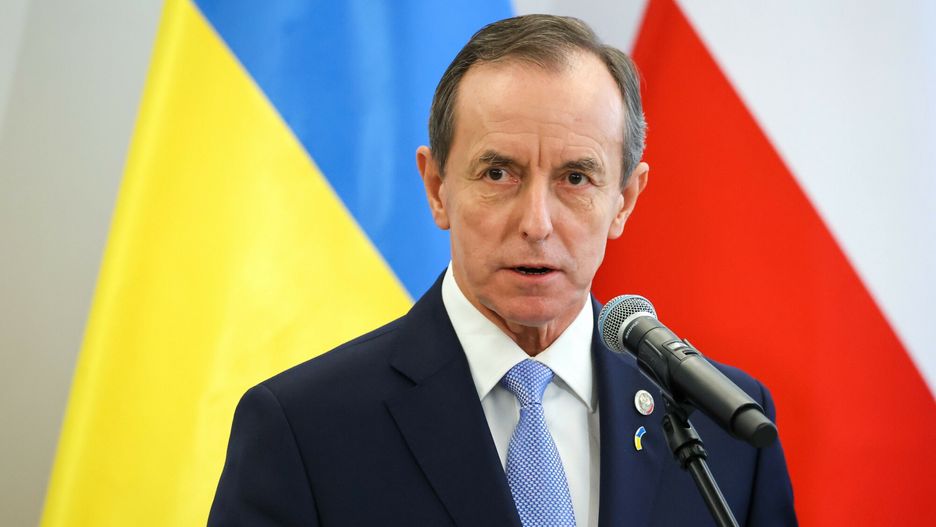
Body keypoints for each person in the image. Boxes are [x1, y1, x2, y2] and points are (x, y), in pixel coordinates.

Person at [208, 14, 796, 526]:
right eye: (498, 173)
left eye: (575, 178)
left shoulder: (728, 428)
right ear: (437, 187)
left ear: (624, 200)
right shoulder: (304, 430)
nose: (537, 223)